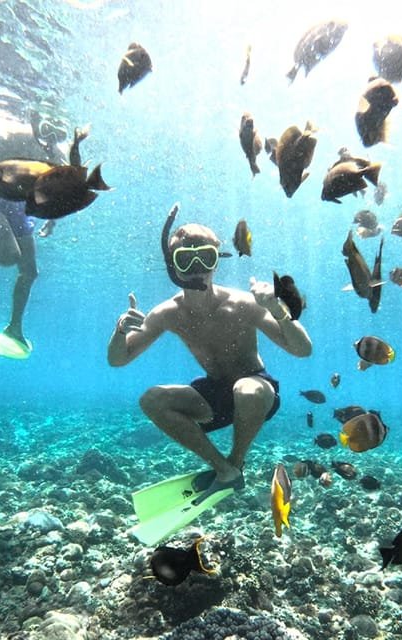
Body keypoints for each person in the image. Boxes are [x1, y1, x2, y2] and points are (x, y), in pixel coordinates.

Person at [108, 205, 313, 502]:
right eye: (185, 259)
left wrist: (278, 310)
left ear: (216, 262)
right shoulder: (167, 313)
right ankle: (225, 471)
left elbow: (303, 350)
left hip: (257, 390)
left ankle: (236, 460)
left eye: (205, 257)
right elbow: (118, 359)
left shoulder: (243, 304)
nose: (197, 268)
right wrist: (119, 332)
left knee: (246, 390)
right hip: (214, 396)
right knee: (152, 399)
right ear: (173, 265)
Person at [0, 111, 67, 357]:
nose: (50, 139)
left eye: (58, 135)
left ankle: (14, 328)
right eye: (47, 128)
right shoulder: (5, 139)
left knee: (30, 271)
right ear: (34, 121)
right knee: (10, 256)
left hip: (17, 207)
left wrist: (53, 220)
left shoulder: (56, 158)